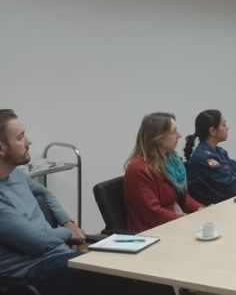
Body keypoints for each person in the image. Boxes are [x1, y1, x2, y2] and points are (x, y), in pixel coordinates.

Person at [0, 109, 173, 295]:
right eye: (20, 138)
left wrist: (68, 222)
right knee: (131, 280)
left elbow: (45, 194)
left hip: (60, 256)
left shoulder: (16, 175)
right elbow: (37, 241)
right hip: (35, 272)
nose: (28, 142)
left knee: (149, 274)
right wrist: (67, 233)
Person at [124, 112, 203, 232]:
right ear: (158, 137)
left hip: (175, 222)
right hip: (153, 232)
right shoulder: (138, 169)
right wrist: (185, 221)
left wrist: (201, 209)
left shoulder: (172, 161)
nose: (179, 135)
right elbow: (153, 213)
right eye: (173, 132)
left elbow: (183, 197)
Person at [184, 110, 236, 204]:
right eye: (224, 125)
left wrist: (233, 177)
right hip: (215, 208)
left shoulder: (220, 151)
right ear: (213, 131)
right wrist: (234, 178)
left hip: (229, 201)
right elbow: (231, 189)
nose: (227, 128)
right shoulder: (204, 159)